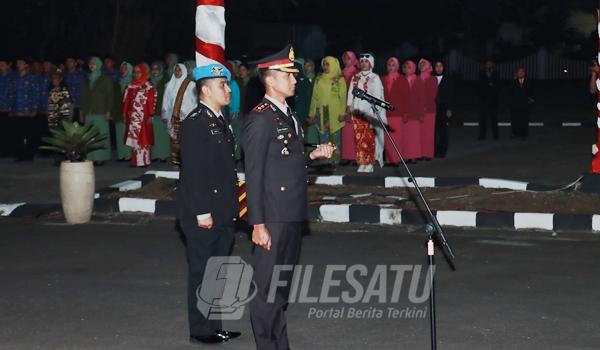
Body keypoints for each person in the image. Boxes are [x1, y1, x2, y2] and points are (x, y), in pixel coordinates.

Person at [243, 44, 334, 350]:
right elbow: (253, 174)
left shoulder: (287, 114)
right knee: (266, 293)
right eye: (289, 74)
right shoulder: (260, 119)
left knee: (280, 292)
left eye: (294, 74)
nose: (295, 79)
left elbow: (286, 159)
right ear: (270, 80)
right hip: (273, 216)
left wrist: (313, 155)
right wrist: (257, 223)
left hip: (292, 212)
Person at [177, 63, 241, 345]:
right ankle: (201, 329)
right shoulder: (195, 123)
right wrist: (202, 212)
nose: (228, 90)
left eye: (227, 85)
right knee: (202, 271)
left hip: (223, 211)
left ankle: (216, 325)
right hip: (204, 213)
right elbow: (194, 172)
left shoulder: (218, 120)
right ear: (205, 90)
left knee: (217, 271)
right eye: (222, 86)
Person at [347, 53, 386, 172]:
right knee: (359, 138)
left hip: (369, 113)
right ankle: (361, 162)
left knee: (369, 138)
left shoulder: (375, 78)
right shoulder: (355, 77)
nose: (363, 63)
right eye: (362, 61)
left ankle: (369, 162)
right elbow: (350, 93)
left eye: (366, 61)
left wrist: (373, 111)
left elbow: (378, 96)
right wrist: (349, 105)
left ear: (371, 64)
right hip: (357, 112)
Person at [308, 56, 346, 164]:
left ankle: (334, 162)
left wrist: (342, 113)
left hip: (335, 112)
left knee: (335, 137)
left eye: (327, 64)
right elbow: (314, 98)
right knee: (323, 137)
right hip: (322, 112)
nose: (325, 67)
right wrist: (312, 113)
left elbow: (343, 98)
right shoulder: (319, 79)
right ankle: (325, 162)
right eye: (324, 64)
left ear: (334, 65)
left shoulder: (339, 79)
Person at [161, 63, 197, 166]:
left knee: (186, 140)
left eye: (179, 70)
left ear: (184, 71)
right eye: (175, 70)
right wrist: (164, 114)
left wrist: (186, 111)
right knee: (174, 140)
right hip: (173, 116)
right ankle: (176, 162)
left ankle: (187, 162)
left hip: (186, 116)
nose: (177, 72)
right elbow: (166, 100)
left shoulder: (191, 85)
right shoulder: (169, 85)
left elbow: (194, 101)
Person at [81, 56, 114, 166]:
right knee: (90, 135)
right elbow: (84, 96)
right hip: (89, 111)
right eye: (90, 63)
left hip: (101, 110)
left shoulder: (105, 79)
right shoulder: (87, 79)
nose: (91, 65)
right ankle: (91, 157)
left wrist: (108, 111)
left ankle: (101, 157)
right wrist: (82, 111)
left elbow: (110, 96)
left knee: (101, 134)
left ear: (99, 65)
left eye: (94, 63)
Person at [122, 64, 157, 167]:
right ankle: (135, 161)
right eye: (134, 72)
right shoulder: (130, 86)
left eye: (138, 72)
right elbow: (126, 102)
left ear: (143, 73)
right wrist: (124, 114)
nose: (136, 74)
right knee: (134, 139)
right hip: (131, 116)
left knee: (144, 138)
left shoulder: (148, 86)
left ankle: (144, 161)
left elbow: (151, 101)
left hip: (144, 116)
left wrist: (151, 115)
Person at [9, 58, 40, 161]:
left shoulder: (32, 78)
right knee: (18, 134)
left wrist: (35, 108)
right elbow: (12, 94)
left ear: (26, 65)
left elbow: (36, 93)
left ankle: (29, 155)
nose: (18, 65)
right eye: (17, 63)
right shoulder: (15, 78)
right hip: (17, 110)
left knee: (29, 134)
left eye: (21, 63)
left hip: (28, 111)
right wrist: (11, 108)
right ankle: (20, 155)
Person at [382, 57, 409, 165]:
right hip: (386, 113)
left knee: (397, 137)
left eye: (393, 65)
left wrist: (406, 112)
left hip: (398, 113)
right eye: (389, 65)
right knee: (387, 137)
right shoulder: (383, 79)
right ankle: (389, 159)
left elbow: (406, 97)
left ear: (397, 66)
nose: (391, 67)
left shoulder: (402, 79)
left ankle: (397, 159)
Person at [401, 60, 424, 163]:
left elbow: (421, 98)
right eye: (405, 67)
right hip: (404, 111)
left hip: (415, 111)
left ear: (413, 68)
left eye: (409, 67)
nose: (406, 69)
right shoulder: (401, 80)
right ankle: (406, 156)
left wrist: (421, 113)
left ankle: (414, 156)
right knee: (405, 135)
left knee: (414, 135)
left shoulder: (418, 80)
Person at [149, 61, 170, 162]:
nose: (154, 71)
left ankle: (164, 155)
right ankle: (155, 155)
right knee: (154, 134)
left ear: (161, 70)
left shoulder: (166, 81)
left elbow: (169, 97)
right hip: (151, 111)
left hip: (162, 111)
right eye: (153, 69)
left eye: (157, 69)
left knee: (162, 134)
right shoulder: (149, 81)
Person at [418, 58, 438, 160]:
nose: (421, 65)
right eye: (420, 64)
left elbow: (432, 95)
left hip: (429, 109)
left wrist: (425, 107)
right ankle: (420, 153)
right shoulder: (417, 78)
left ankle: (428, 154)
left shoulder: (432, 79)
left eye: (424, 64)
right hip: (418, 109)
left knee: (428, 132)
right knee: (419, 133)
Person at [433, 60, 454, 158]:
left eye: (440, 66)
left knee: (443, 131)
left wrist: (449, 109)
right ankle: (435, 150)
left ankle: (442, 151)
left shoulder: (448, 79)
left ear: (444, 67)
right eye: (437, 66)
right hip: (434, 108)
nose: (438, 68)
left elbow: (451, 95)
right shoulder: (431, 78)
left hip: (444, 108)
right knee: (434, 131)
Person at [508, 67, 534, 140]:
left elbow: (532, 92)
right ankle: (514, 133)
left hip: (525, 104)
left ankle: (524, 134)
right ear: (517, 73)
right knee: (515, 119)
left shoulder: (529, 81)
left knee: (524, 119)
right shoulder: (513, 81)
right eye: (519, 72)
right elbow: (510, 92)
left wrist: (532, 99)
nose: (521, 73)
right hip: (515, 104)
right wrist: (513, 80)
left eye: (522, 72)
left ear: (525, 73)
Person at [478, 61, 499, 140]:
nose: (489, 66)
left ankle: (496, 136)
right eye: (487, 64)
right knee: (483, 119)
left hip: (493, 100)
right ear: (485, 65)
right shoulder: (481, 74)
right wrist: (489, 83)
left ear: (492, 65)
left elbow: (497, 85)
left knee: (494, 119)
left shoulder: (496, 73)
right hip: (483, 100)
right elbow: (479, 85)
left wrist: (492, 84)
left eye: (490, 64)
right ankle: (482, 135)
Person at [64, 57, 85, 122]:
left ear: (75, 63)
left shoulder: (81, 74)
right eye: (67, 61)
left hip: (80, 103)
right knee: (68, 125)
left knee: (81, 124)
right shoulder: (64, 75)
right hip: (69, 104)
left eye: (71, 61)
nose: (68, 63)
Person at [0, 59, 13, 157]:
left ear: (8, 66)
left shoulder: (13, 77)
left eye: (3, 65)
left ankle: (9, 151)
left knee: (9, 131)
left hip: (9, 108)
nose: (1, 66)